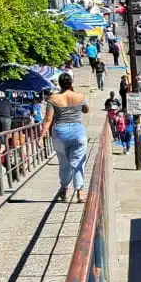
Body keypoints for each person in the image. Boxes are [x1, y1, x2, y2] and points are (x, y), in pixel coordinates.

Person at [42, 73, 89, 203]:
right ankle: (80, 192)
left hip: (60, 133)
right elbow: (86, 110)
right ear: (71, 82)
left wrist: (41, 137)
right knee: (78, 162)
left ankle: (64, 188)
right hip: (78, 133)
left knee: (64, 163)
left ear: (60, 84)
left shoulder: (53, 98)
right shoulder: (80, 96)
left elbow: (47, 119)